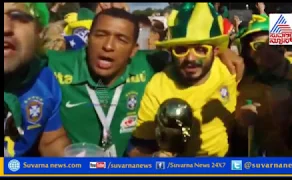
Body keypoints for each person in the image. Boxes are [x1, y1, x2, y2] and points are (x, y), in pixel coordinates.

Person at [47, 8, 171, 157]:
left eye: (121, 39)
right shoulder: (55, 65)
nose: (108, 46)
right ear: (88, 39)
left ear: (133, 50)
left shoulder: (151, 65)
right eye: (100, 35)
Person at [128, 3, 239, 157]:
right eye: (181, 49)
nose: (191, 58)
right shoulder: (158, 86)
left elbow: (273, 56)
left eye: (201, 49)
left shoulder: (230, 71)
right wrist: (154, 160)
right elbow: (138, 147)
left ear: (215, 51)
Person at [234, 14, 292, 156]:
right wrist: (243, 122)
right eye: (256, 46)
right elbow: (242, 130)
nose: (265, 51)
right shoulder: (247, 86)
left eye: (272, 43)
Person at [4, 2, 70, 157]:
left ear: (39, 32)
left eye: (18, 16)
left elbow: (51, 141)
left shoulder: (44, 79)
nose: (5, 28)